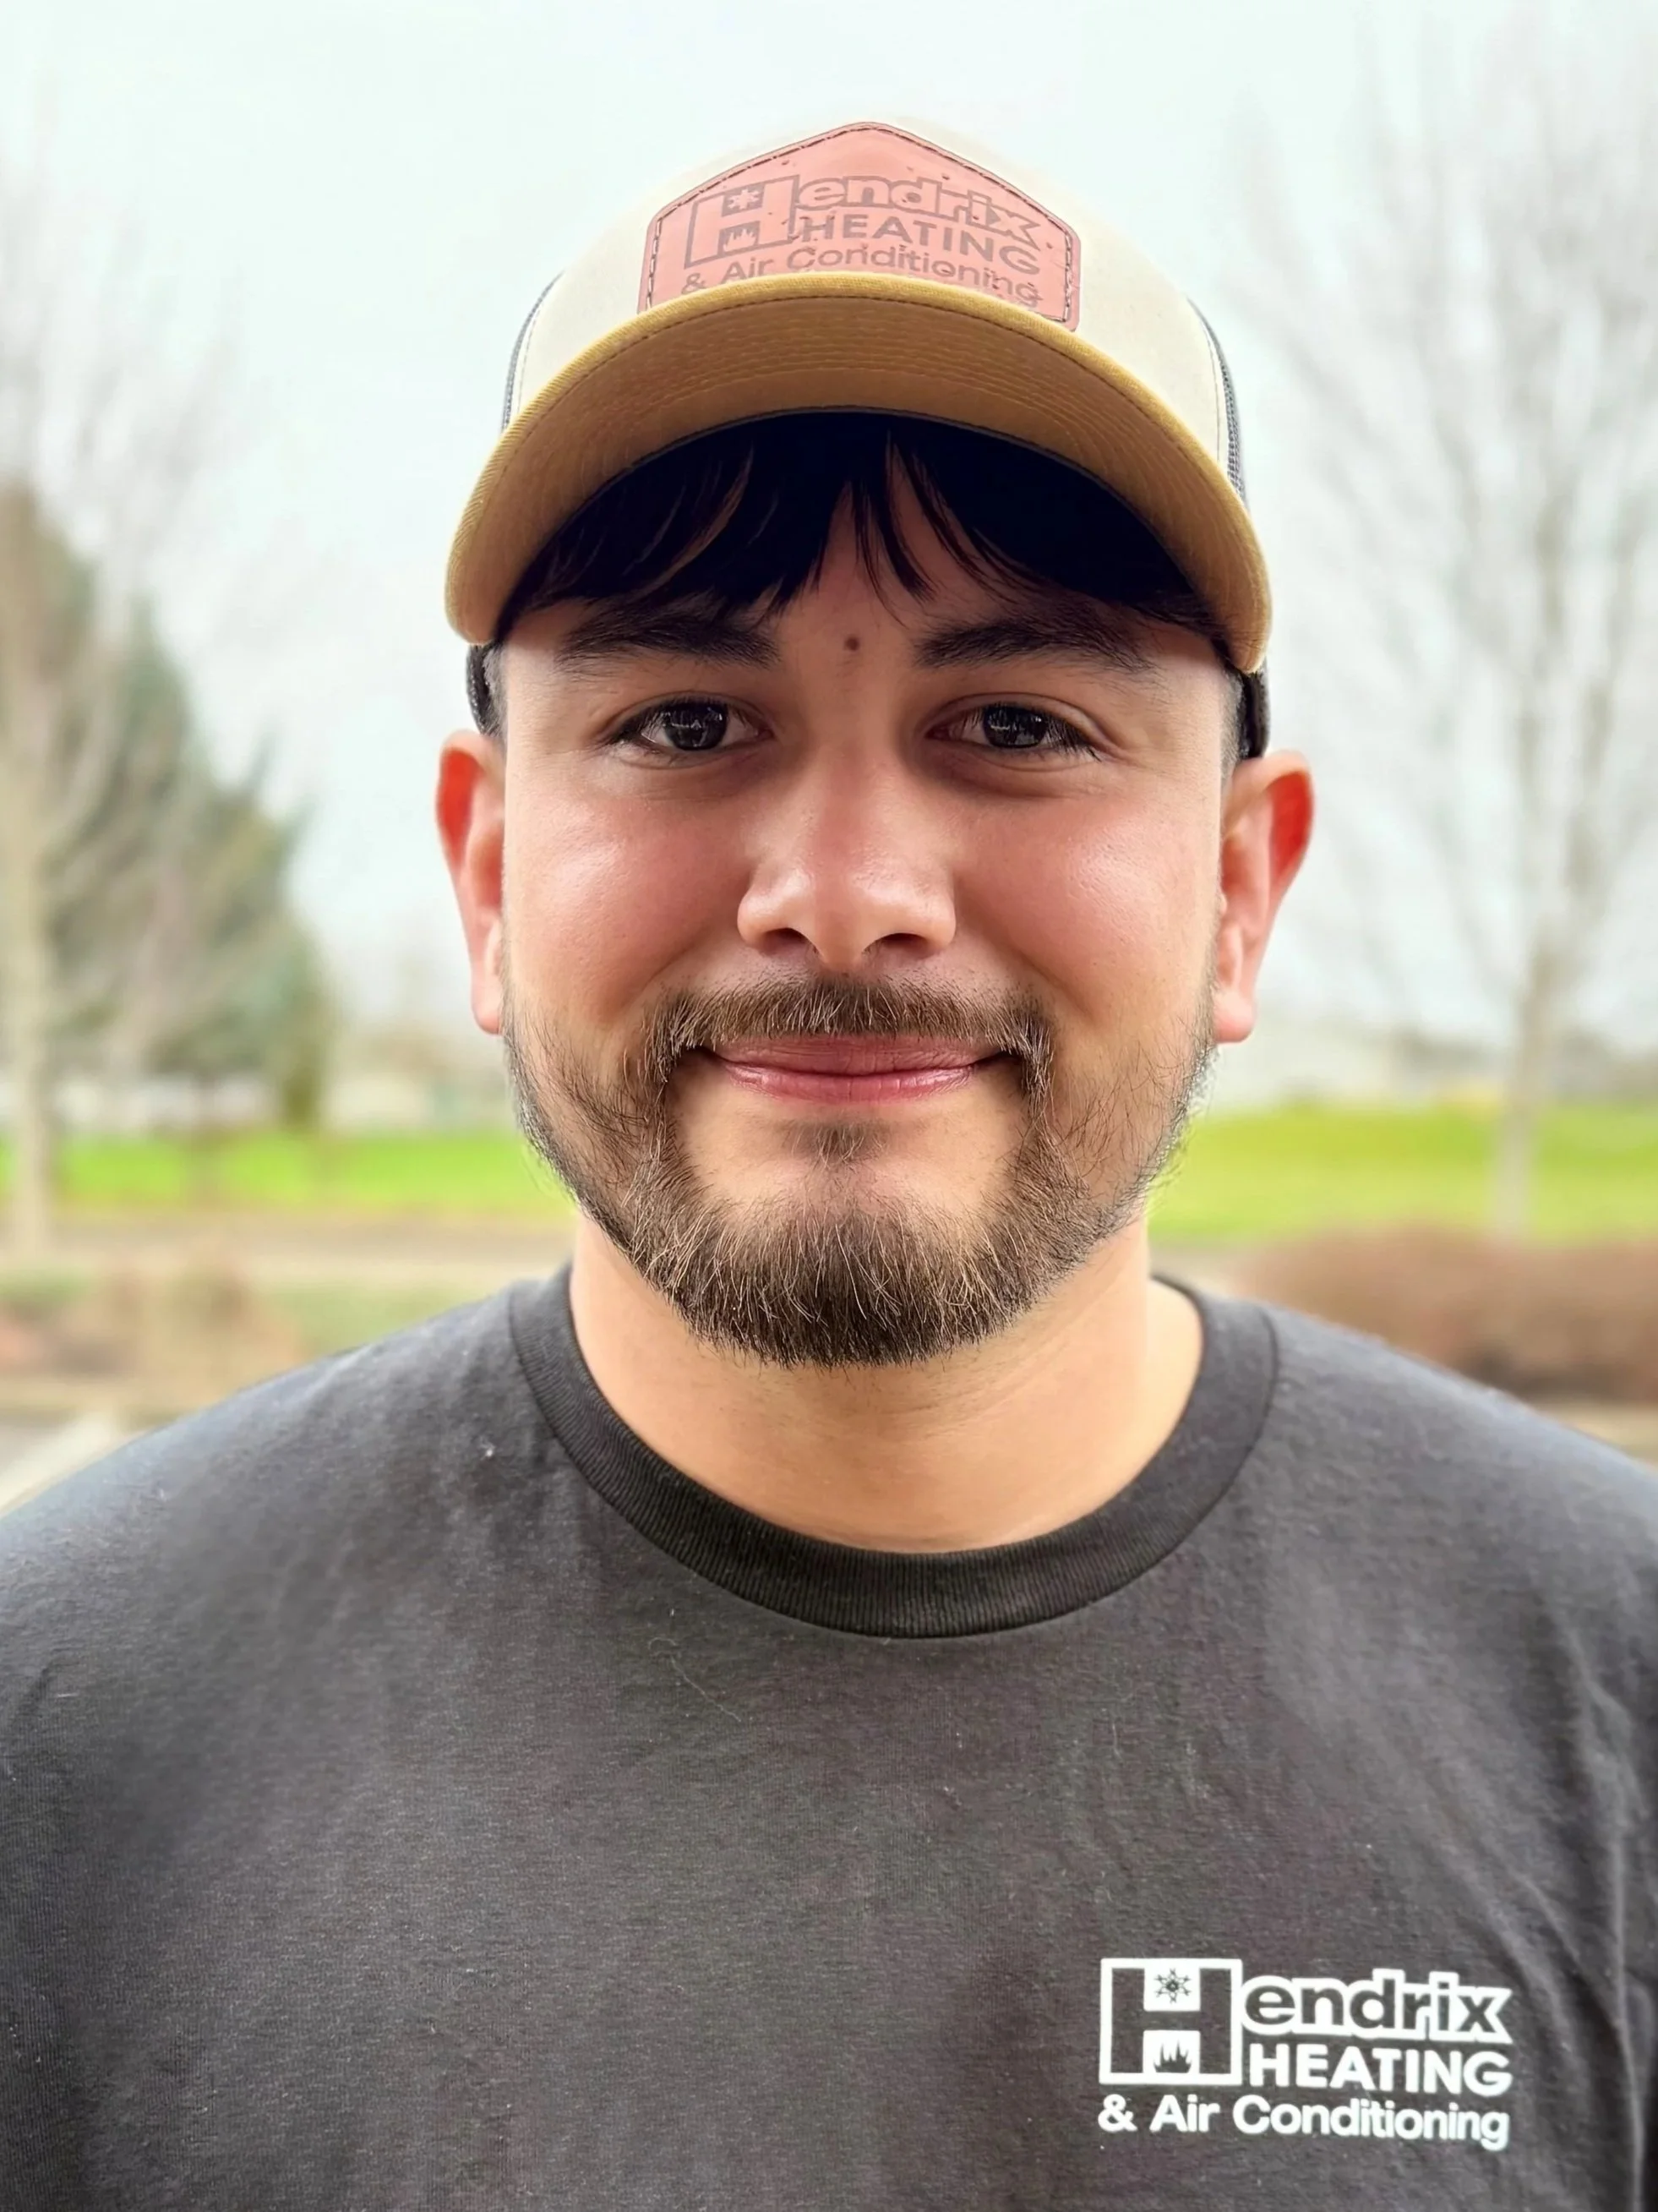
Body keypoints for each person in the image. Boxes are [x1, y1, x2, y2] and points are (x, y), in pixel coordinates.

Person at [3, 118, 1655, 2210]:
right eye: (689, 722)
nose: (849, 893)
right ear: (489, 867)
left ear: (1242, 885)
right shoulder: (59, 1730)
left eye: (1022, 724)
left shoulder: (1611, 1705)